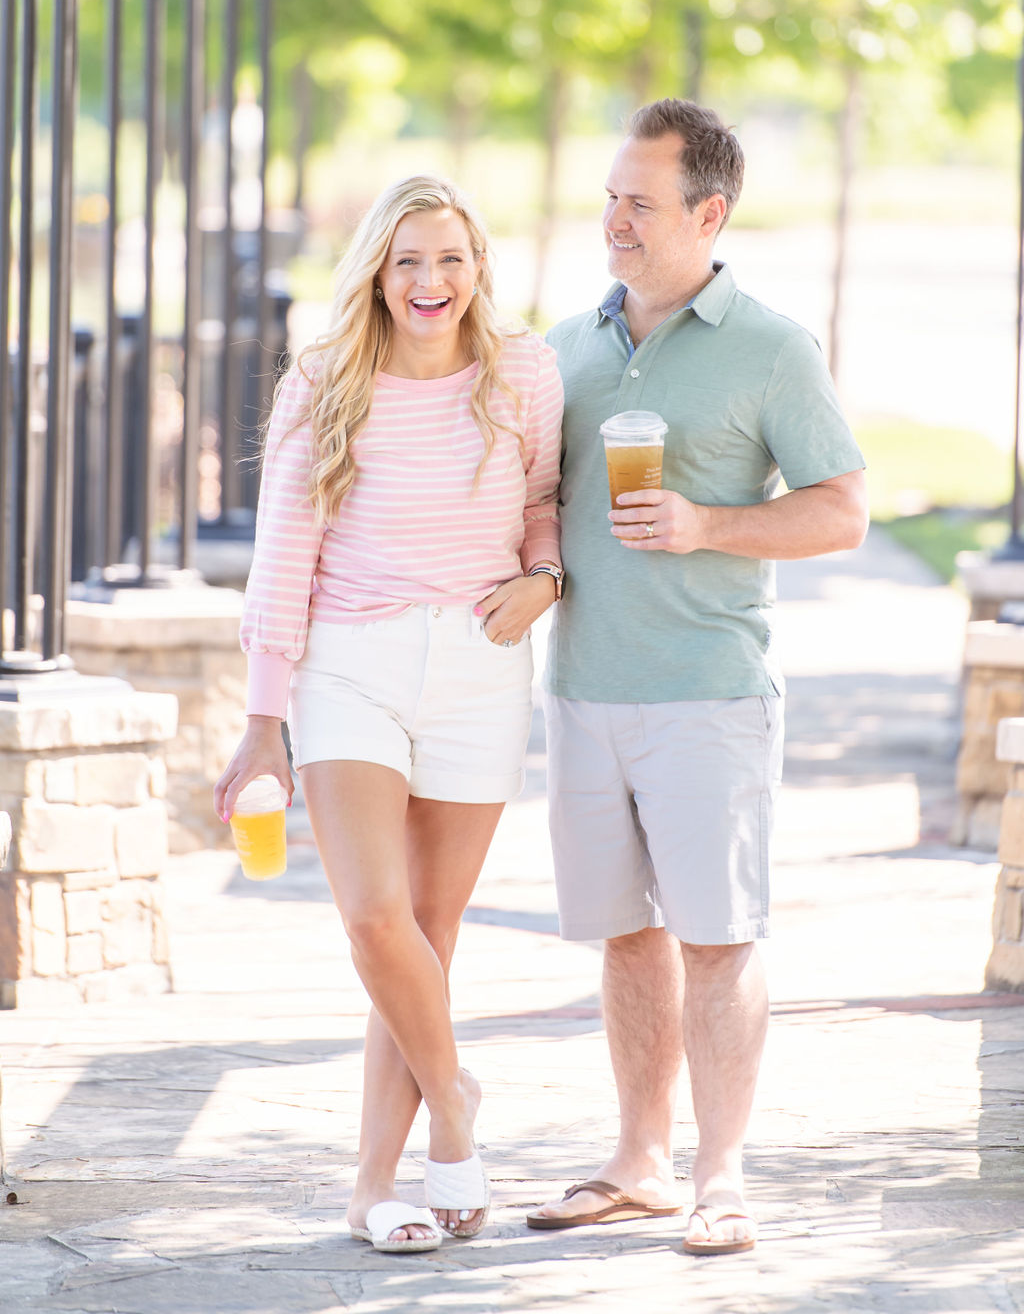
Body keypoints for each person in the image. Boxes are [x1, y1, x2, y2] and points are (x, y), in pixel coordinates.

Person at [525, 99, 868, 1255]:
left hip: (707, 693)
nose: (614, 220)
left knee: (717, 937)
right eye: (610, 196)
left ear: (707, 212)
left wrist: (707, 524)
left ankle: (722, 1176)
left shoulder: (771, 347)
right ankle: (639, 1162)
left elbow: (841, 512)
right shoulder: (567, 344)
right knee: (626, 935)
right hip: (579, 689)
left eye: (640, 202)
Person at [215, 175, 563, 1254]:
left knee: (428, 935)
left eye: (449, 259)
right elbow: (282, 554)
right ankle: (454, 1104)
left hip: (480, 666)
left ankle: (373, 1187)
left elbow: (544, 501)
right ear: (375, 270)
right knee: (375, 919)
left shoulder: (524, 373)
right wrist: (262, 718)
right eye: (407, 260)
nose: (430, 282)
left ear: (477, 267)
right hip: (349, 666)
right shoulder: (323, 380)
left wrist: (545, 578)